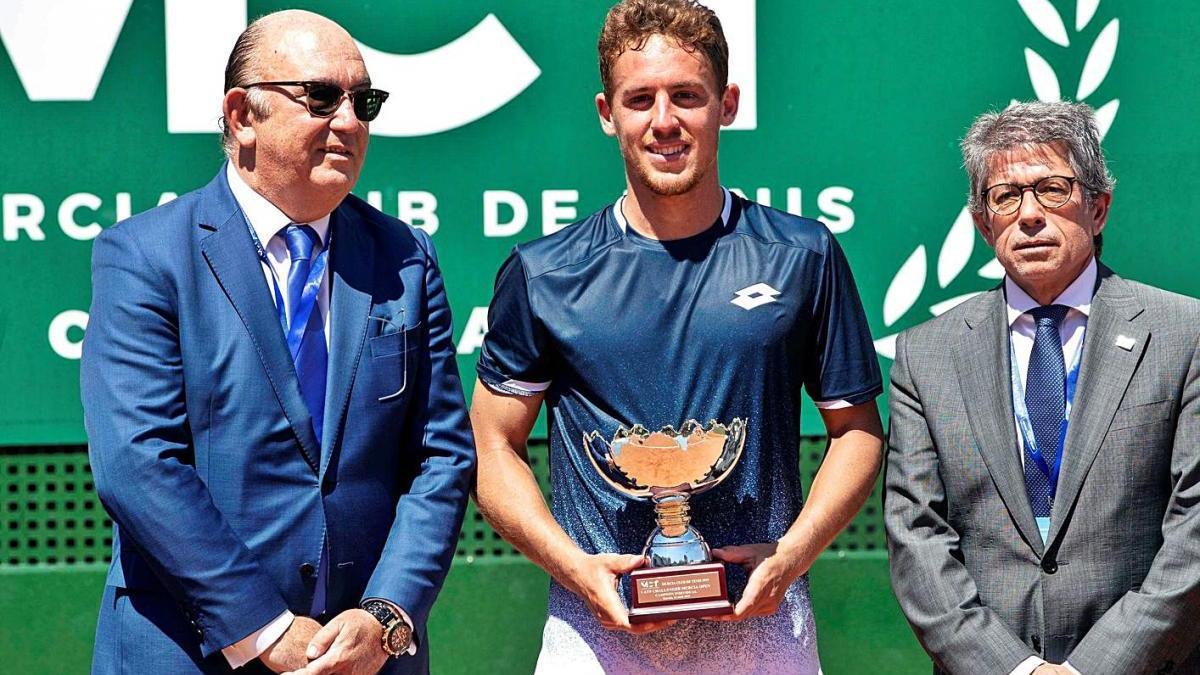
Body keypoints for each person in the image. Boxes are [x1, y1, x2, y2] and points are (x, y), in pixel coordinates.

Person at [470, 1, 885, 672]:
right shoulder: (544, 272)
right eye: (641, 99)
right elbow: (493, 446)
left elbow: (858, 431)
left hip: (765, 635)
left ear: (727, 103)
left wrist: (791, 552)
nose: (664, 121)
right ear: (608, 113)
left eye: (686, 96)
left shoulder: (801, 255)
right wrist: (576, 568)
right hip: (596, 638)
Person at [81, 10, 474, 674]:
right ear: (241, 116)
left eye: (364, 101)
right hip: (189, 650)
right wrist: (263, 627)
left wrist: (385, 615)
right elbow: (139, 462)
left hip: (366, 659)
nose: (349, 122)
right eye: (321, 98)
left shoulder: (405, 257)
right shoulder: (145, 257)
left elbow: (441, 457)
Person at [884, 100, 1200, 675]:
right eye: (1006, 197)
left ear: (1099, 208)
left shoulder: (1184, 334)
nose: (1029, 215)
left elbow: (1194, 531)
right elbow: (917, 536)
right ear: (984, 224)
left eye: (1052, 190)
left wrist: (1097, 668)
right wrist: (1015, 669)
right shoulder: (926, 355)